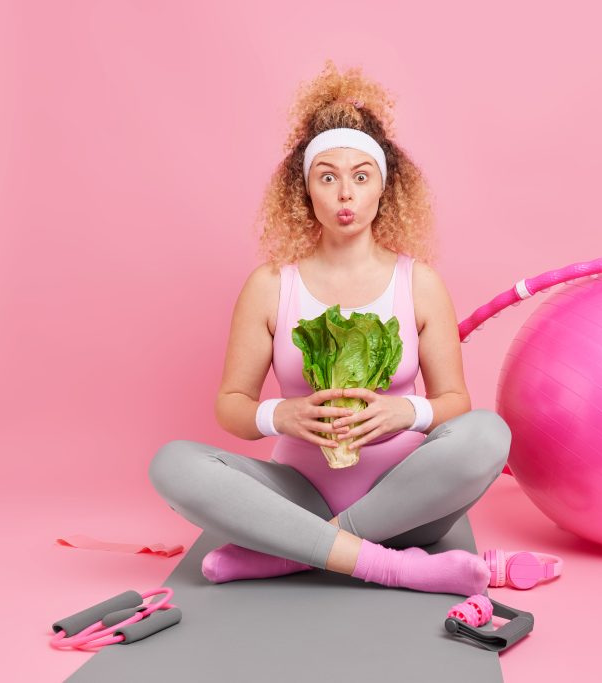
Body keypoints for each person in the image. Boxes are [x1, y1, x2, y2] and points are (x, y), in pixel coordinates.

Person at [148, 60, 511, 597]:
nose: (346, 194)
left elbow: (455, 400)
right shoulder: (270, 285)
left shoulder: (420, 283)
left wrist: (405, 411)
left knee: (489, 433)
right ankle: (393, 567)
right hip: (296, 496)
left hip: (409, 503)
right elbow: (231, 405)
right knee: (172, 463)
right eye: (328, 177)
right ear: (305, 192)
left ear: (384, 190)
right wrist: (280, 415)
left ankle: (288, 556)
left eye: (361, 177)